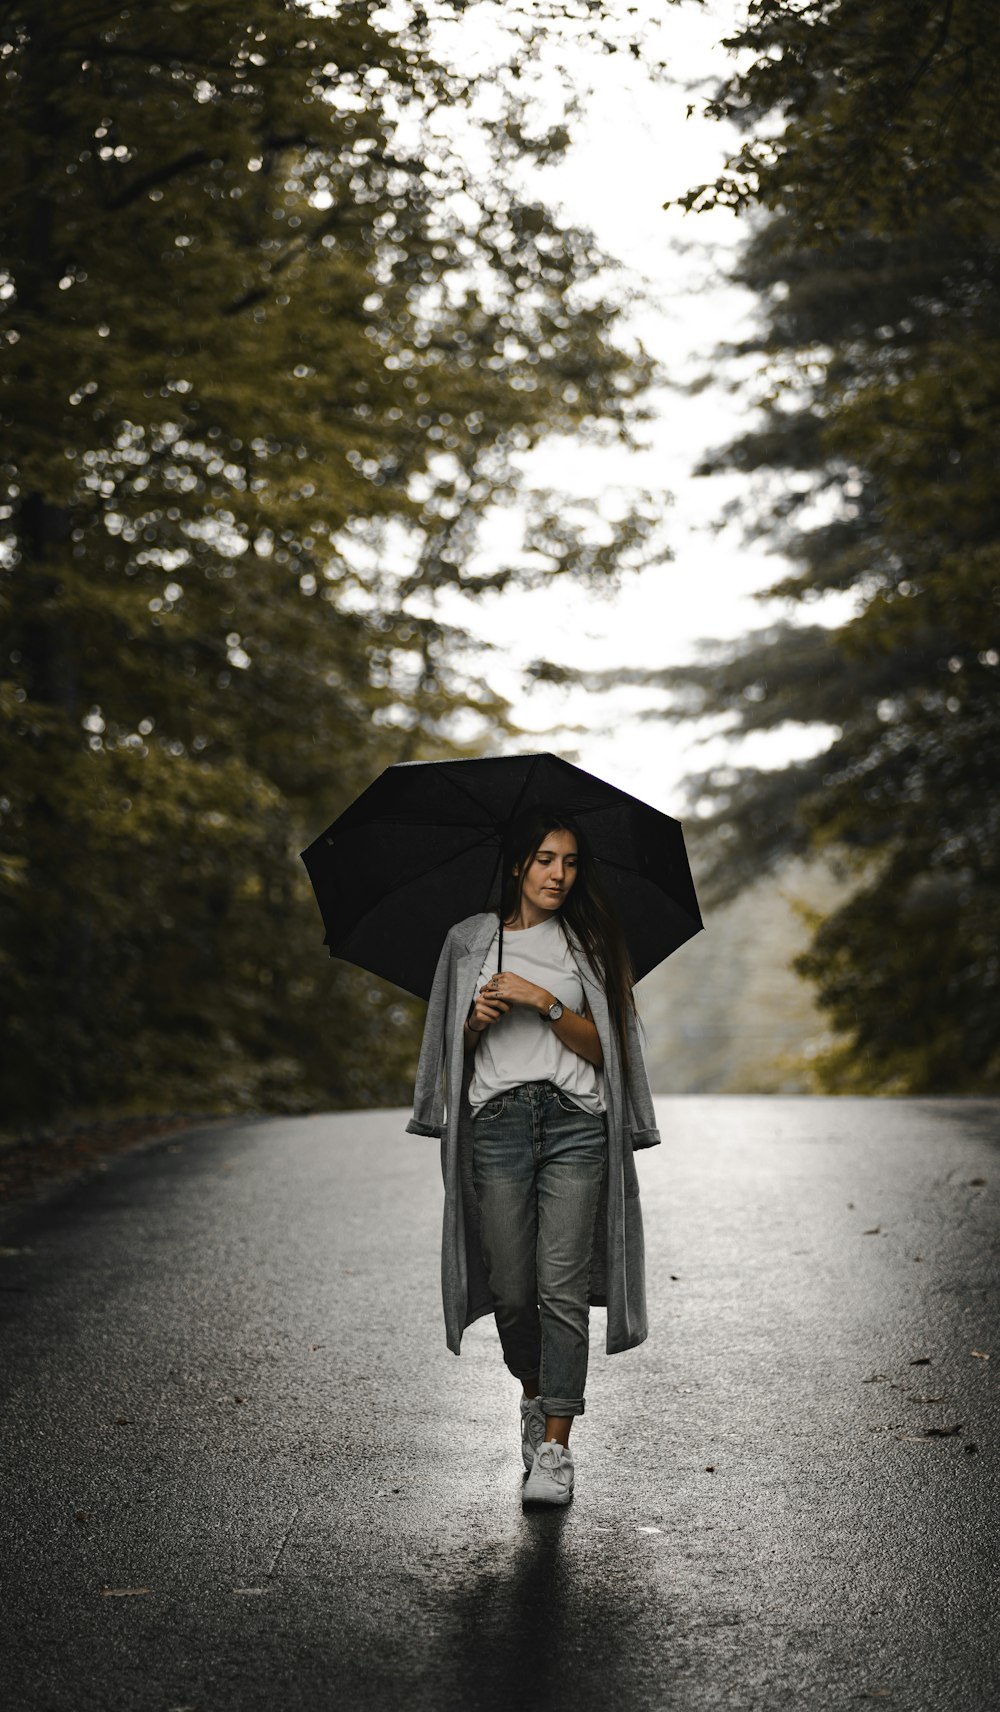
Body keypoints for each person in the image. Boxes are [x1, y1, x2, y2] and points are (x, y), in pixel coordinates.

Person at [406, 806, 660, 1507]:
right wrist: (474, 1022)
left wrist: (545, 1002)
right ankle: (532, 1393)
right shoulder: (469, 942)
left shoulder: (591, 943)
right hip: (498, 1124)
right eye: (546, 859)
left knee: (561, 1290)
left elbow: (614, 1053)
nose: (559, 874)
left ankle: (555, 1448)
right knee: (513, 1291)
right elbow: (443, 1044)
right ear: (518, 865)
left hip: (577, 1121)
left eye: (571, 862)